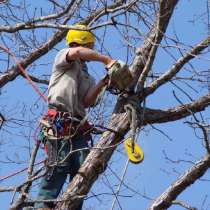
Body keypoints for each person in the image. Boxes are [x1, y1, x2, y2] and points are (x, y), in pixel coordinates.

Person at [35, 24, 116, 210]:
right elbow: (77, 52)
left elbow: (87, 101)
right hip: (57, 124)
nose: (91, 51)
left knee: (84, 166)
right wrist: (106, 59)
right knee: (59, 166)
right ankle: (42, 205)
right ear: (83, 42)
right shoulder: (64, 57)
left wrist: (105, 81)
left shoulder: (87, 76)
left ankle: (73, 205)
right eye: (90, 47)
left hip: (77, 128)